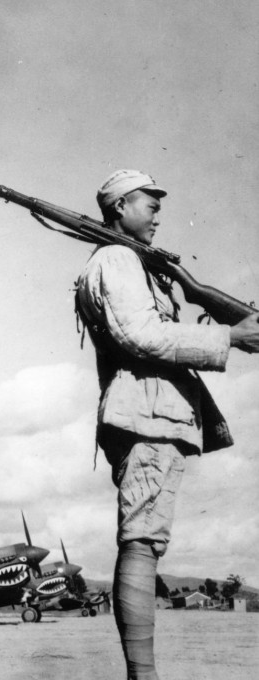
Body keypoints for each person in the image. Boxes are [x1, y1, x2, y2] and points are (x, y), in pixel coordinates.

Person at [74, 169, 259, 680]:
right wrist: (228, 337)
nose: (158, 211)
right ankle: (144, 675)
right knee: (142, 540)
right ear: (118, 208)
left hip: (154, 414)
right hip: (148, 416)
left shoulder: (135, 262)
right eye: (148, 203)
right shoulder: (116, 258)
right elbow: (142, 334)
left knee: (146, 539)